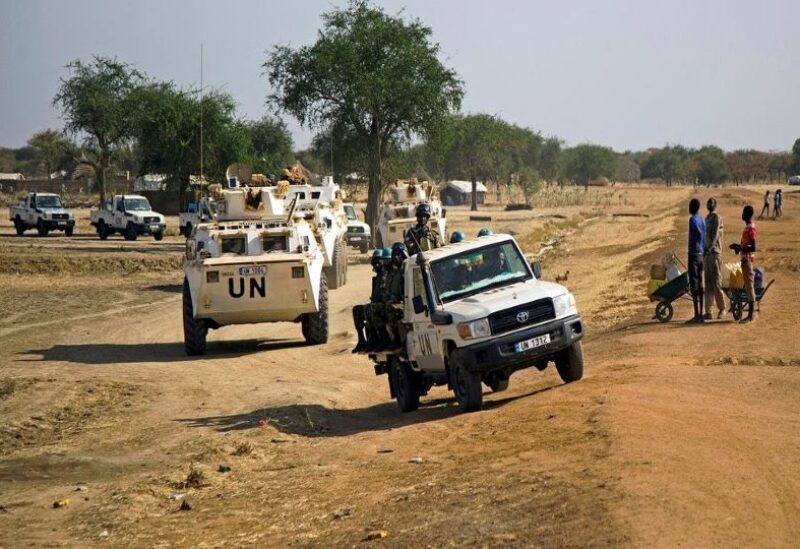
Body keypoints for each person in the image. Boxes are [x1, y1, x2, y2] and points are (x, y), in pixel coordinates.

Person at [352, 249, 387, 353]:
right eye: (374, 263)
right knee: (357, 310)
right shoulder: (377, 279)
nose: (376, 265)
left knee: (371, 309)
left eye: (378, 262)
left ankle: (378, 340)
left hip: (383, 305)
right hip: (376, 304)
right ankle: (362, 340)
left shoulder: (387, 276)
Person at [729, 205, 757, 323]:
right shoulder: (747, 227)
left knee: (749, 286)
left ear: (747, 215)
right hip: (745, 259)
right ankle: (749, 314)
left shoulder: (750, 228)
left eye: (744, 212)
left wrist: (740, 247)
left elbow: (753, 247)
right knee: (747, 285)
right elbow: (747, 245)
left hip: (747, 260)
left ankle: (750, 316)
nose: (742, 214)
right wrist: (738, 247)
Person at [703, 197, 726, 320]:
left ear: (715, 205)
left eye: (711, 203)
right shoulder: (706, 218)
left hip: (715, 253)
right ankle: (709, 311)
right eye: (708, 202)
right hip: (707, 255)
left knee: (717, 283)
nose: (709, 204)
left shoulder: (717, 217)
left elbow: (716, 234)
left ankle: (722, 308)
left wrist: (710, 247)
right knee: (708, 284)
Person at [384, 243, 409, 350]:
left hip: (407, 302)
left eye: (399, 254)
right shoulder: (394, 272)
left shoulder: (407, 270)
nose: (396, 257)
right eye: (394, 254)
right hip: (397, 301)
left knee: (390, 307)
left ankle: (398, 340)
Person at [687, 198, 706, 323]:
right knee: (700, 282)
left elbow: (699, 233)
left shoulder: (692, 219)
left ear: (692, 207)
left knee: (694, 284)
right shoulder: (702, 220)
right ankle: (701, 312)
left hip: (694, 254)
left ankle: (697, 314)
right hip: (701, 254)